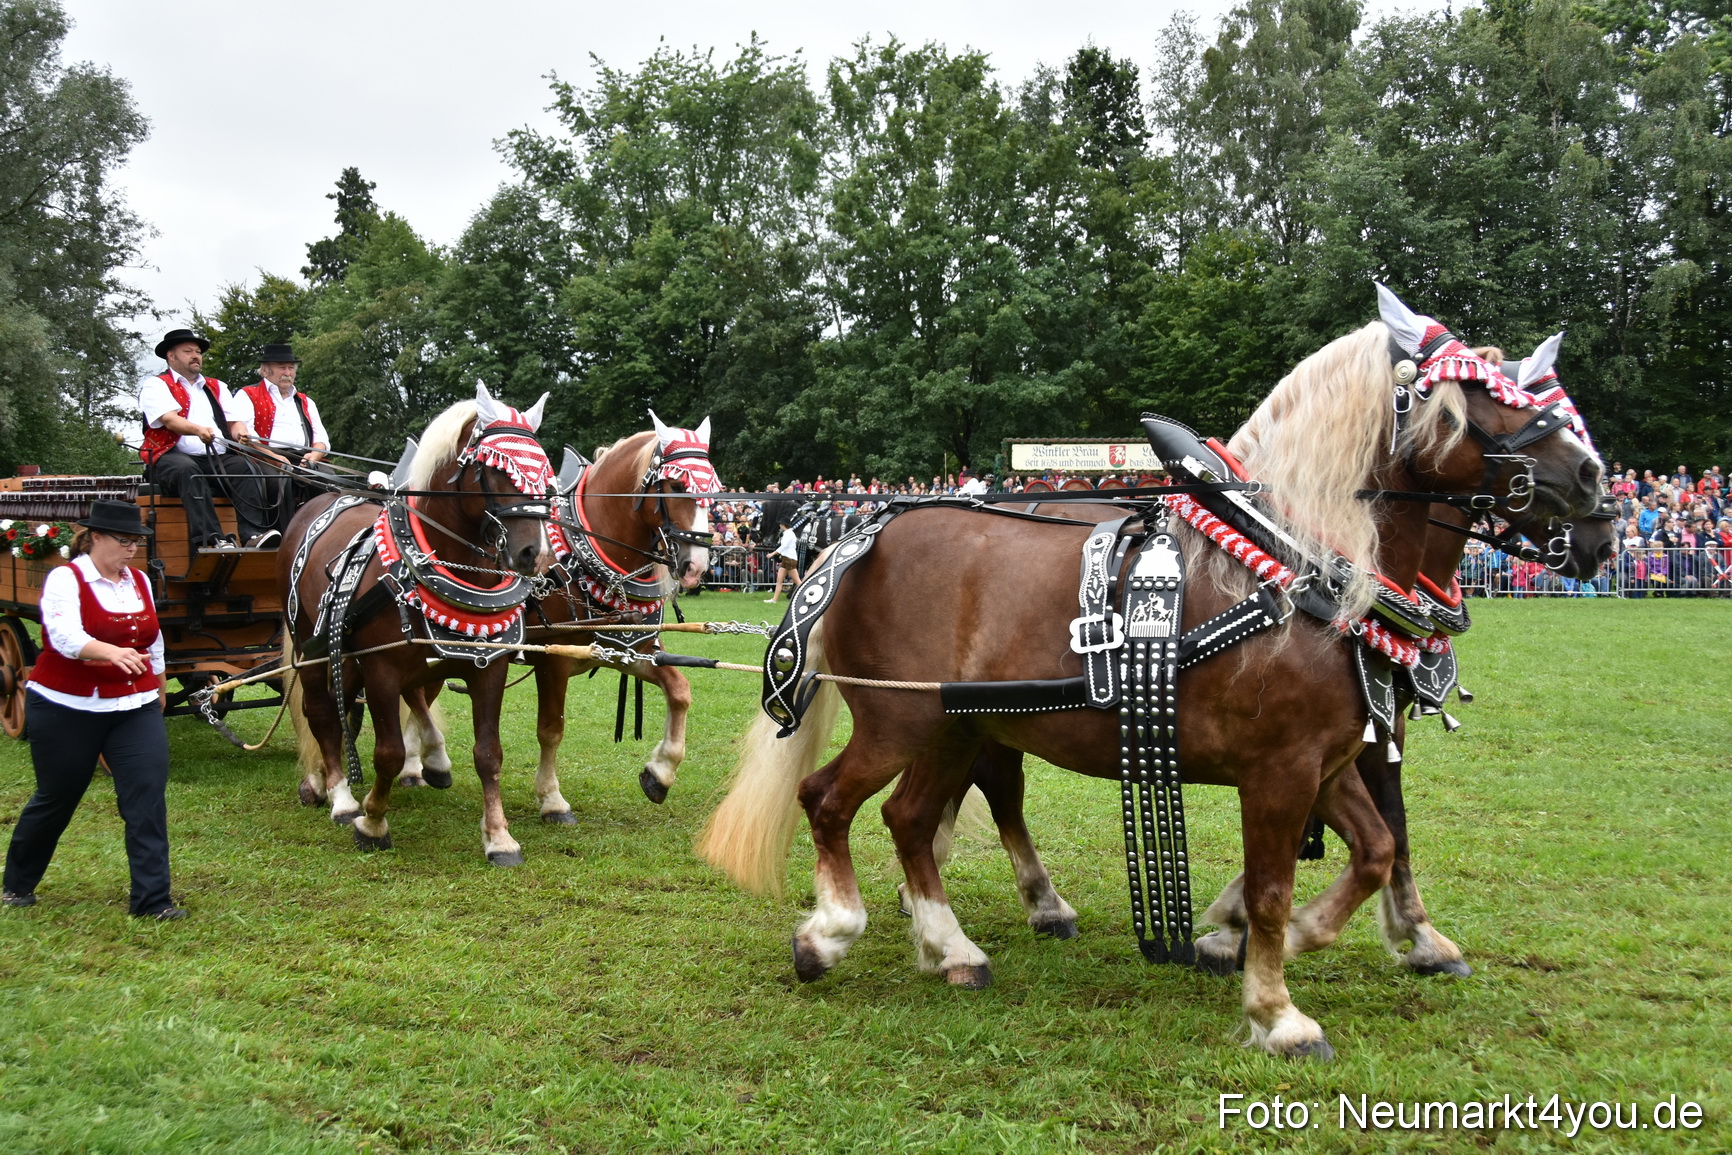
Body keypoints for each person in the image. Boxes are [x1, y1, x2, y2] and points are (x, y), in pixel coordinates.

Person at [2, 501, 184, 920]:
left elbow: (152, 640)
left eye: (137, 541)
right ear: (95, 537)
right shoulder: (66, 579)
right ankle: (17, 884)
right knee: (57, 797)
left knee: (146, 799)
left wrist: (157, 685)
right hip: (67, 708)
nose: (133, 549)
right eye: (124, 541)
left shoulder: (138, 580)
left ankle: (153, 901)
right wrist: (110, 652)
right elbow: (64, 635)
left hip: (133, 706)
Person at [137, 329, 276, 550]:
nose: (196, 355)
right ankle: (211, 537)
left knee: (245, 467)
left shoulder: (217, 386)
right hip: (171, 455)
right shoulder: (156, 385)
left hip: (215, 456)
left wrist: (242, 434)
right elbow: (170, 420)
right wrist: (197, 430)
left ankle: (253, 534)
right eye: (188, 351)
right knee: (188, 470)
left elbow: (234, 422)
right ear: (171, 356)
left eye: (198, 352)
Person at [227, 342, 335, 538]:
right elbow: (246, 437)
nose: (287, 372)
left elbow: (321, 440)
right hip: (262, 456)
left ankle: (325, 537)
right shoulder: (247, 395)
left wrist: (313, 456)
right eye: (281, 367)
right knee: (281, 478)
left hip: (303, 456)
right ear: (266, 371)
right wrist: (272, 458)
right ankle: (283, 537)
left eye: (291, 367)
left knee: (329, 479)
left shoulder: (305, 401)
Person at [764, 515, 802, 603]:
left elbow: (783, 546)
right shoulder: (788, 533)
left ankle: (808, 595)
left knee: (798, 581)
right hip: (787, 559)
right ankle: (774, 599)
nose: (780, 525)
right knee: (779, 580)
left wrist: (772, 554)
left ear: (783, 525)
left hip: (789, 559)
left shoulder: (789, 534)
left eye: (780, 524)